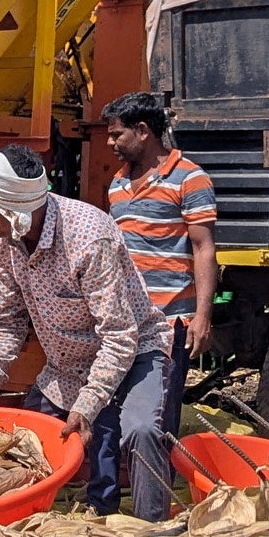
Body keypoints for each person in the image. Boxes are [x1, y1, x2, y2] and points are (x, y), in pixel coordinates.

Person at [0, 145, 177, 520]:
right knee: (25, 442)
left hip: (134, 349)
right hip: (67, 365)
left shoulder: (88, 237)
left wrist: (87, 405)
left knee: (140, 432)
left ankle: (152, 533)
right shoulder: (2, 237)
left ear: (16, 213)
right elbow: (8, 319)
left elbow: (120, 337)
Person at [105, 91, 218, 432]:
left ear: (142, 131)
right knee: (121, 411)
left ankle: (160, 481)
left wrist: (202, 317)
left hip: (171, 323)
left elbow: (204, 249)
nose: (110, 143)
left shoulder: (189, 177)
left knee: (160, 419)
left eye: (116, 134)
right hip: (127, 323)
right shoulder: (117, 182)